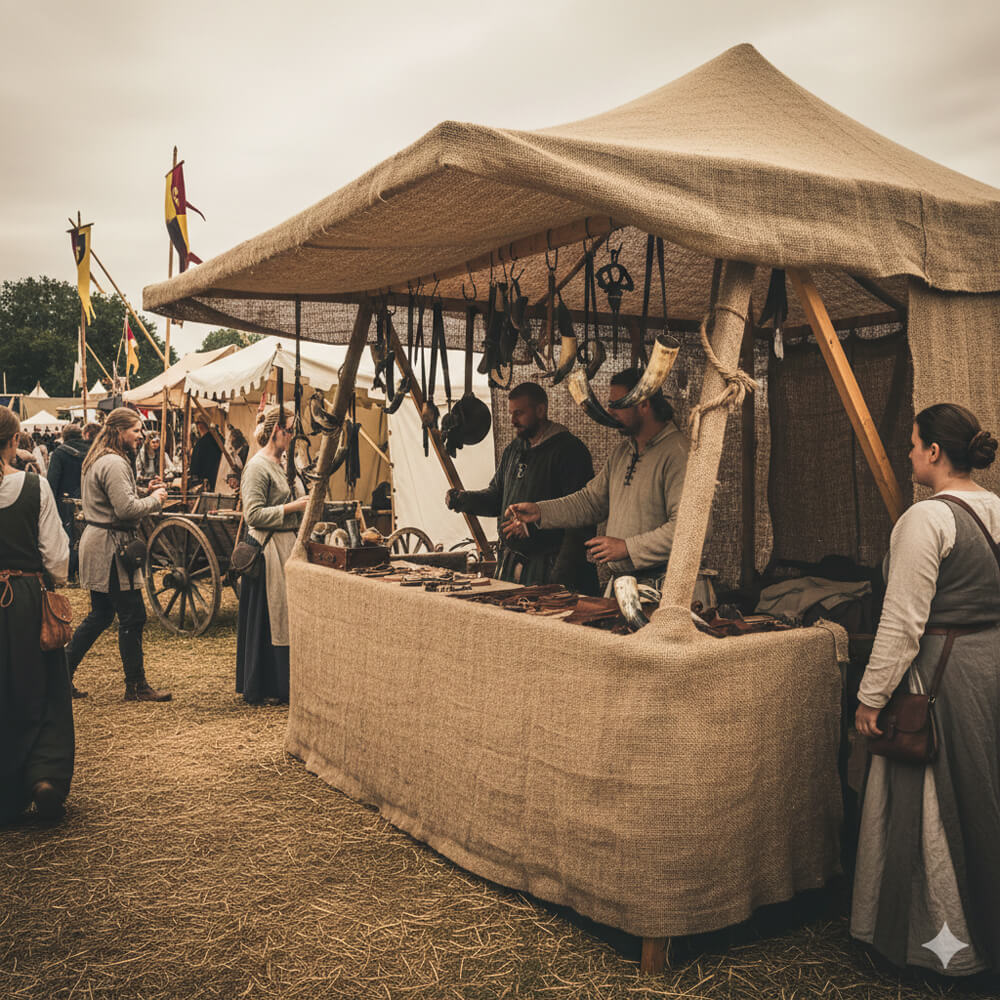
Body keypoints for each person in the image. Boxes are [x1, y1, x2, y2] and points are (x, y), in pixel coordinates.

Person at [851, 403, 1000, 976]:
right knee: (984, 797)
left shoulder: (927, 518)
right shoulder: (993, 507)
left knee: (932, 809)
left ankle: (941, 949)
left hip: (938, 679)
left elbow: (903, 621)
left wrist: (871, 698)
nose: (909, 454)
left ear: (934, 452)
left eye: (914, 444)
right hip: (987, 671)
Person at [504, 369, 688, 594]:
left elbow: (688, 528)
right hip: (626, 586)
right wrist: (541, 511)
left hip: (663, 589)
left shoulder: (678, 453)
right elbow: (591, 502)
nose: (609, 411)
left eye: (617, 404)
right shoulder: (622, 452)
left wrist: (627, 548)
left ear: (644, 405)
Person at [445, 382, 598, 592]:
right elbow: (498, 498)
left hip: (551, 569)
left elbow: (580, 516)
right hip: (512, 567)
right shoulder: (514, 450)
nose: (513, 421)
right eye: (511, 413)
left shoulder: (570, 451)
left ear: (541, 410)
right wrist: (463, 500)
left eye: (519, 413)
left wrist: (560, 579)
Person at [64, 408, 171, 702]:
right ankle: (136, 686)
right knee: (132, 615)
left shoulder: (102, 458)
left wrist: (140, 491)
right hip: (110, 548)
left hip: (101, 543)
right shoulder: (113, 461)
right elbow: (125, 510)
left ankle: (60, 673)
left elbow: (117, 500)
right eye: (136, 430)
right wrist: (154, 499)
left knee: (101, 614)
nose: (141, 436)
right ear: (120, 430)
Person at [0, 406, 74, 822]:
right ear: (15, 442)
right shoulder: (35, 488)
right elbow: (58, 561)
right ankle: (43, 776)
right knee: (42, 691)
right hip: (27, 601)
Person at [236, 405, 309, 705]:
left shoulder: (283, 464)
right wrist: (294, 508)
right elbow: (253, 514)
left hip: (286, 547)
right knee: (270, 619)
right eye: (290, 430)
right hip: (267, 551)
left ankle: (284, 684)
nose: (292, 436)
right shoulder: (257, 466)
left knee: (285, 618)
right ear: (276, 430)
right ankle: (263, 685)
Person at [47, 424, 93, 581]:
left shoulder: (59, 453)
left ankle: (72, 572)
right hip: (90, 500)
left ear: (64, 437)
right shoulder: (93, 451)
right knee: (88, 535)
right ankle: (85, 571)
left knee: (69, 537)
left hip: (66, 503)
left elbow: (52, 482)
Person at [189, 416, 222, 488]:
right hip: (219, 477)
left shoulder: (201, 443)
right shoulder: (220, 439)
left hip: (206, 480)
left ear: (200, 426)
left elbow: (195, 465)